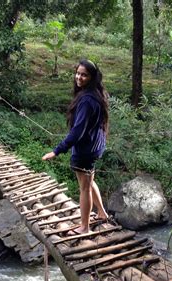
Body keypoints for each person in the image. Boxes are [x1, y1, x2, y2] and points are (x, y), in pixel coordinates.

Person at [42, 59, 110, 236]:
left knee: (84, 187)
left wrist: (57, 151)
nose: (79, 77)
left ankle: (84, 227)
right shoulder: (97, 94)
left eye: (84, 75)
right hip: (96, 146)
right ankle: (102, 213)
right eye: (78, 73)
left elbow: (78, 131)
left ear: (92, 77)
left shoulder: (87, 100)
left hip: (86, 150)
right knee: (90, 181)